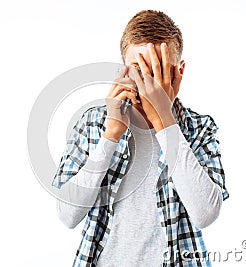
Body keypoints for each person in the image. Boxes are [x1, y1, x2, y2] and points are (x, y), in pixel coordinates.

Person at [51, 10, 229, 267]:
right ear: (123, 68)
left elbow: (205, 214)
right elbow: (67, 215)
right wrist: (111, 134)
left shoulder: (199, 128)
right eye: (139, 69)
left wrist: (164, 122)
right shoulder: (92, 123)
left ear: (179, 72)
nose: (148, 82)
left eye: (159, 71)